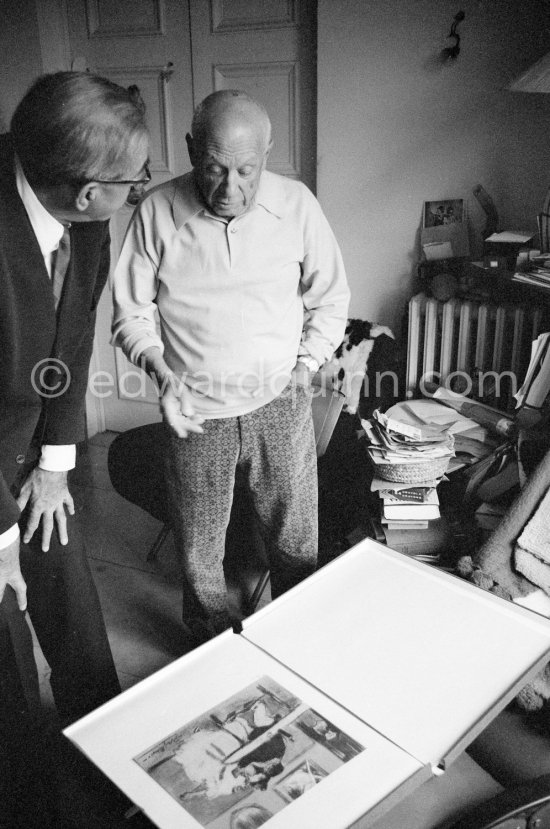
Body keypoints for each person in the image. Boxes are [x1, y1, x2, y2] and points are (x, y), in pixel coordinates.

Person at [112, 89, 349, 639]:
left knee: (295, 538)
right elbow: (130, 314)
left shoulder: (297, 205)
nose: (231, 189)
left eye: (247, 170)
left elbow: (331, 297)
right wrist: (161, 374)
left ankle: (299, 634)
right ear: (193, 150)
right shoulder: (156, 211)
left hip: (281, 402)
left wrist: (306, 364)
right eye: (215, 169)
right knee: (199, 547)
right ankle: (212, 642)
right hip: (195, 410)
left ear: (268, 152)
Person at [0, 71, 149, 827]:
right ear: (86, 189)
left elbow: (73, 336)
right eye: (135, 179)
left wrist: (56, 464)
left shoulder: (88, 220)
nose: (142, 188)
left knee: (76, 617)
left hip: (27, 445)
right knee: (7, 657)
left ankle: (117, 776)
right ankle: (28, 802)